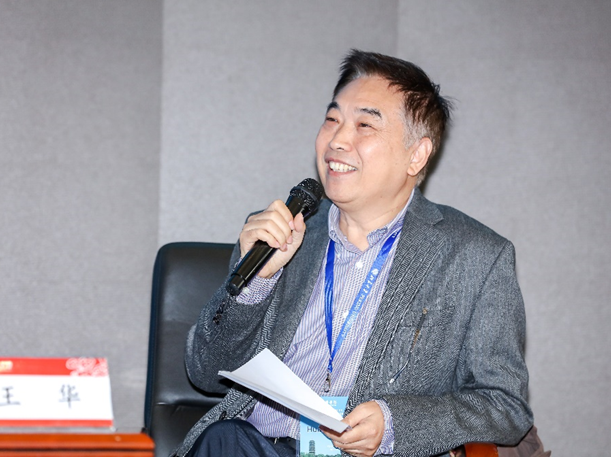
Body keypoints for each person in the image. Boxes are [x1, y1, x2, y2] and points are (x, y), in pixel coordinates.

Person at [175, 50, 535, 457]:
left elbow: (505, 406)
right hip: (252, 447)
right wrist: (257, 283)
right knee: (225, 439)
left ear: (416, 155)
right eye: (332, 120)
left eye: (364, 125)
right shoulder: (281, 234)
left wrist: (396, 423)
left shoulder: (475, 257)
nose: (337, 141)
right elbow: (205, 372)